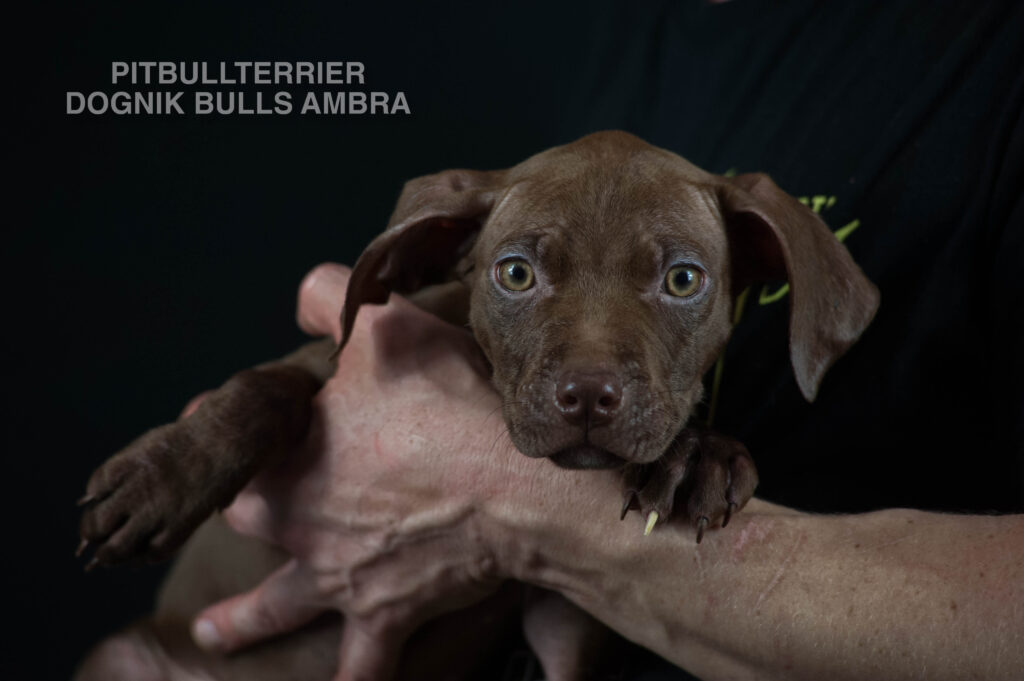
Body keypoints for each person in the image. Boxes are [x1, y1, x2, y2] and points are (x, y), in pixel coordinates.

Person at [186, 2, 1024, 679]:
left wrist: (508, 504)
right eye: (519, 276)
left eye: (683, 281)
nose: (592, 372)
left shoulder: (986, 58)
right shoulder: (639, 30)